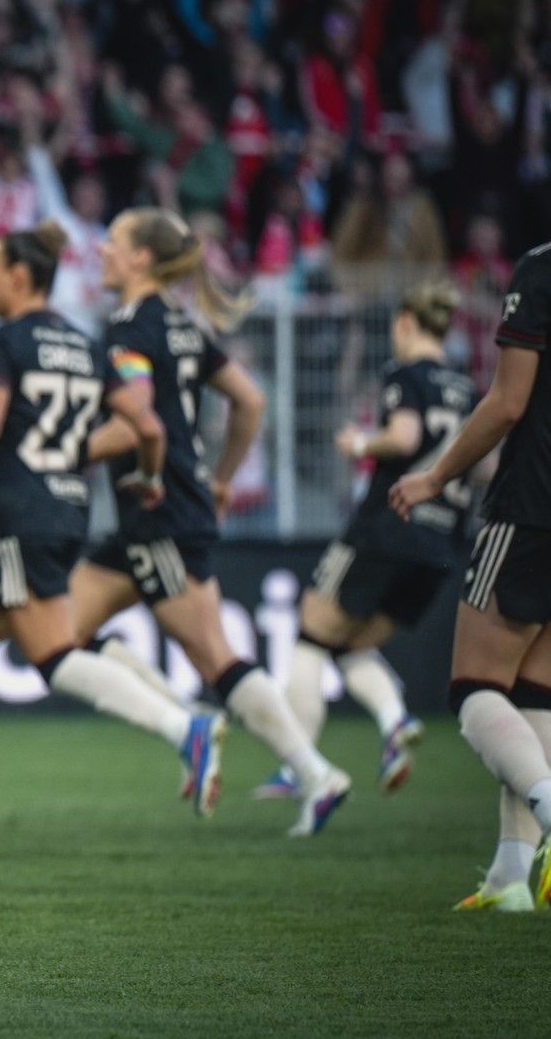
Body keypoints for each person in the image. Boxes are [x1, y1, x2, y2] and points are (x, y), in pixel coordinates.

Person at [0, 222, 225, 835]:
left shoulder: (4, 341)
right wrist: (149, 477)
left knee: (52, 657)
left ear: (20, 276)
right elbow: (147, 428)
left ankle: (186, 728)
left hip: (20, 514)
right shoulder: (85, 343)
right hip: (68, 510)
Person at [69, 208, 354, 836]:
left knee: (215, 657)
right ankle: (186, 723)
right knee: (57, 636)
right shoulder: (179, 325)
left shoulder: (126, 330)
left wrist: (58, 452)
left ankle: (314, 773)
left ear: (142, 257)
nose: (103, 253)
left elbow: (138, 420)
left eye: (113, 243)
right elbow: (248, 402)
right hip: (162, 513)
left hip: (160, 511)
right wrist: (220, 477)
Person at [391, 159, 551, 914]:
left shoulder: (547, 271)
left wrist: (436, 477)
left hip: (536, 505)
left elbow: (507, 404)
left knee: (474, 689)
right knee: (533, 686)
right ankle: (511, 878)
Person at [266, 283, 476, 800]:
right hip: (440, 542)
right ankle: (394, 719)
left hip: (385, 528)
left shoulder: (404, 376)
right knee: (350, 645)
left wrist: (359, 441)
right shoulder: (467, 388)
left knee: (311, 639)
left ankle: (303, 769)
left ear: (405, 322)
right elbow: (487, 462)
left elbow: (403, 438)